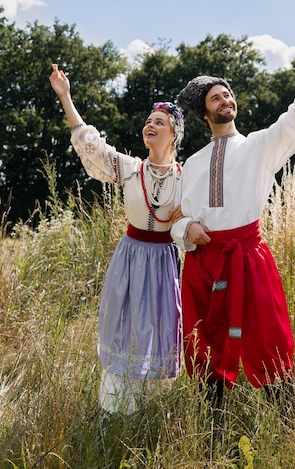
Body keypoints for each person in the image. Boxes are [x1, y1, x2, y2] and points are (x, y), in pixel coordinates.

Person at [171, 22, 295, 415]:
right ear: (204, 112)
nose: (225, 100)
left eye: (228, 95)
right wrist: (186, 229)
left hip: (248, 258)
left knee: (268, 340)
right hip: (204, 264)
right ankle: (211, 435)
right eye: (216, 98)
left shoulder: (259, 146)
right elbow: (177, 218)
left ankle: (290, 429)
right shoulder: (191, 164)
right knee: (205, 345)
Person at [49, 64, 184, 414]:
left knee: (160, 327)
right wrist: (65, 96)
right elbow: (90, 146)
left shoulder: (188, 177)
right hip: (131, 258)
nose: (150, 126)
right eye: (149, 121)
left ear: (174, 135)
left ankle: (155, 409)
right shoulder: (129, 167)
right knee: (125, 327)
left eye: (160, 123)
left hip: (165, 263)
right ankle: (118, 411)